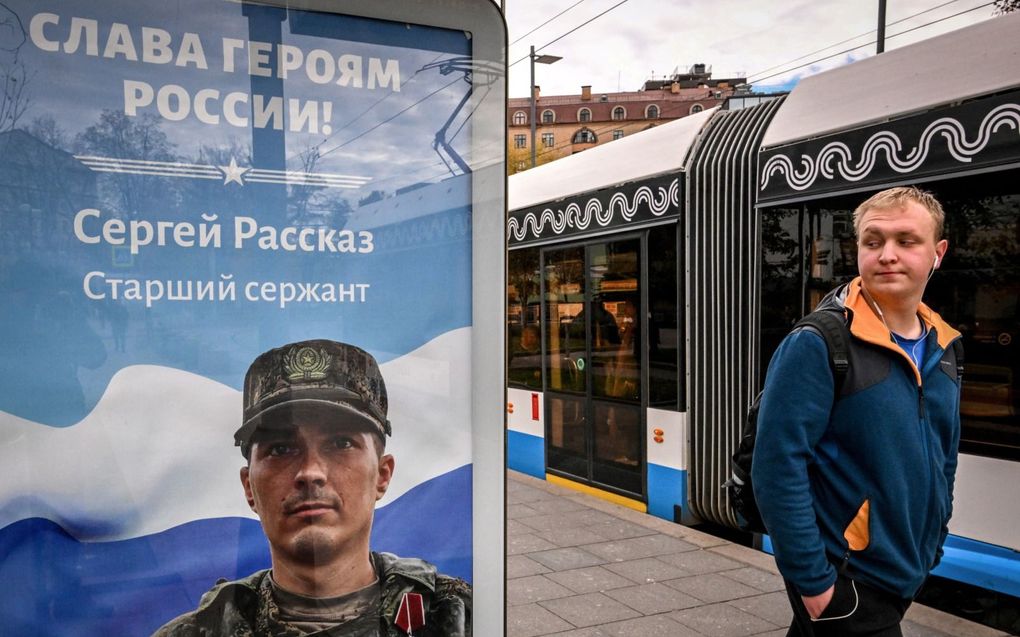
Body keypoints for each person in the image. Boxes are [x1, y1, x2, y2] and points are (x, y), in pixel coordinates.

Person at [752, 187, 962, 636]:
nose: (887, 255)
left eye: (907, 241)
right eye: (873, 241)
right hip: (848, 576)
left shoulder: (946, 347)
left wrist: (933, 544)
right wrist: (814, 584)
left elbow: (945, 457)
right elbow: (776, 465)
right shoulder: (819, 343)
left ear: (937, 253)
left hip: (904, 569)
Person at [153, 339, 471, 636]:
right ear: (249, 486)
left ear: (382, 475)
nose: (310, 472)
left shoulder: (456, 617)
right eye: (280, 449)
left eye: (341, 443)